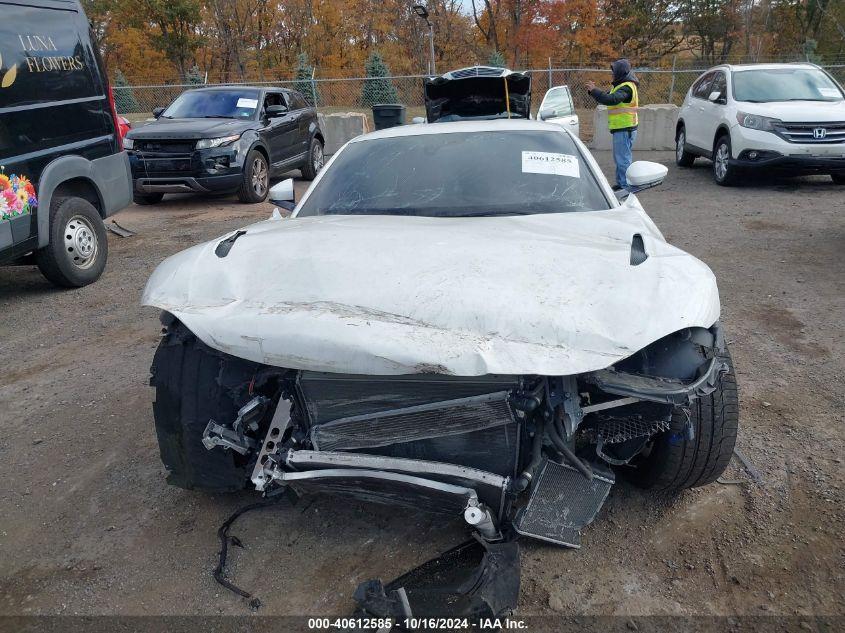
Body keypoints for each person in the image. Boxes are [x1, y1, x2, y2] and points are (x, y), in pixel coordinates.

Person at [586, 59, 639, 190]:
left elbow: (611, 99)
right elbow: (606, 96)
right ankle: (621, 183)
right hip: (623, 128)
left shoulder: (626, 87)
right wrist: (593, 91)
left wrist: (594, 91)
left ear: (620, 72)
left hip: (624, 128)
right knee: (621, 158)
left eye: (614, 72)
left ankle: (625, 186)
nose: (612, 74)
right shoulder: (621, 86)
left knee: (622, 160)